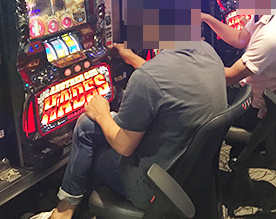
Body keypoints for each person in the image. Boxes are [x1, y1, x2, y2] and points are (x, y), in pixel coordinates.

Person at [29, 42, 227, 219]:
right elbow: (167, 77)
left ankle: (63, 213)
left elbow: (124, 146)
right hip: (191, 176)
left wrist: (101, 113)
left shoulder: (147, 78)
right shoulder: (208, 52)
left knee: (86, 127)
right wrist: (130, 57)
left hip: (153, 187)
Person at [201, 12, 276, 131]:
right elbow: (240, 39)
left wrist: (192, 62)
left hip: (252, 105)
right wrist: (207, 18)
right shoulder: (272, 12)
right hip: (255, 86)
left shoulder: (271, 37)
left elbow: (229, 78)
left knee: (197, 94)